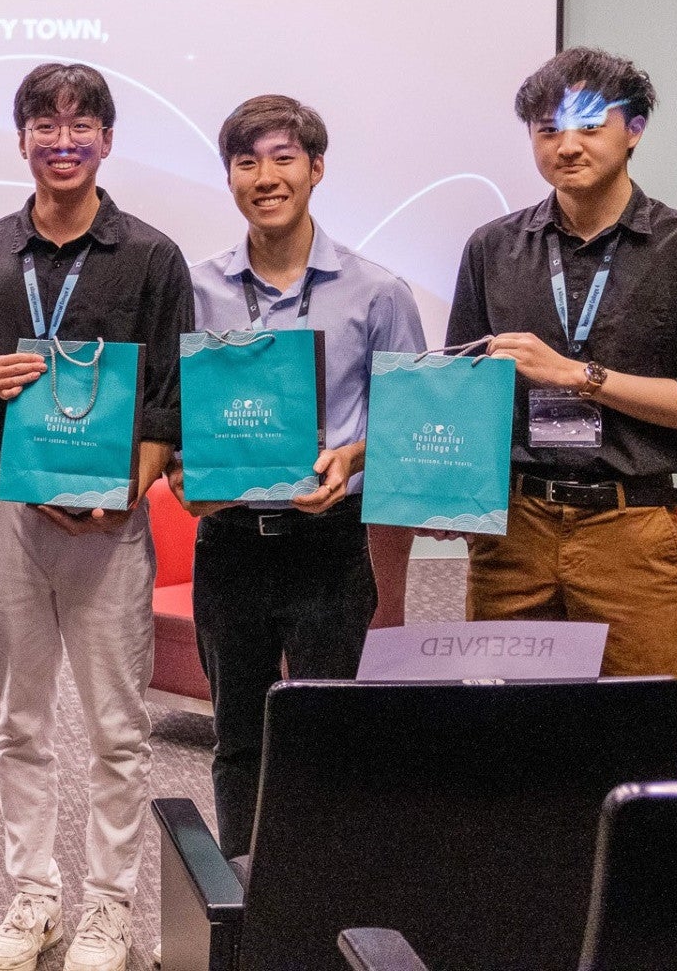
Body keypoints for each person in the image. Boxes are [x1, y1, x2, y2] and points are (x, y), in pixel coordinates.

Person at [0, 64, 193, 971]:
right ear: (20, 139)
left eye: (81, 123)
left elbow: (167, 399)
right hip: (7, 514)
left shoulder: (151, 257)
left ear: (107, 139)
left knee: (118, 728)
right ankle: (34, 896)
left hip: (112, 524)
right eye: (44, 123)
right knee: (18, 720)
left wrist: (125, 492)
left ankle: (111, 905)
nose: (63, 138)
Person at [175, 94, 426, 856]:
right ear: (230, 179)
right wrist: (182, 473)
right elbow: (170, 412)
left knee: (325, 737)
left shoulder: (379, 292)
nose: (265, 176)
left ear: (316, 169)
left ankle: (322, 901)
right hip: (229, 546)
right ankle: (244, 902)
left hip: (328, 545)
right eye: (246, 162)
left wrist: (353, 457)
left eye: (283, 157)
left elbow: (410, 428)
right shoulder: (194, 289)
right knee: (238, 743)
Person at [445, 48, 677, 683]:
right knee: (502, 730)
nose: (566, 144)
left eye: (588, 125)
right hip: (513, 528)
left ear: (633, 130)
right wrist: (445, 499)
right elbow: (461, 395)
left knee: (649, 729)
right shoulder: (494, 247)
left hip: (629, 527)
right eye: (548, 129)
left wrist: (579, 375)